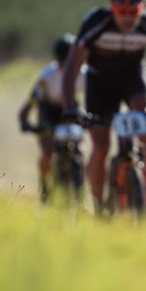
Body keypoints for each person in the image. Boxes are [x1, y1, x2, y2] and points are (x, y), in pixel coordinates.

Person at [61, 0, 146, 216]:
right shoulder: (95, 22)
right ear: (111, 6)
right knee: (101, 145)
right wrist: (70, 107)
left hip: (133, 79)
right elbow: (71, 69)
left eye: (133, 11)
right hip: (99, 83)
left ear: (142, 7)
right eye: (120, 11)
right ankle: (98, 205)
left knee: (145, 122)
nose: (126, 17)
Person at [19, 34, 87, 202]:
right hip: (49, 112)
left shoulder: (84, 74)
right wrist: (25, 120)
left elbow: (95, 97)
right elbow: (31, 102)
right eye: (63, 61)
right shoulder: (48, 75)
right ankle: (44, 189)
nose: (67, 66)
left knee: (80, 151)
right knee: (48, 154)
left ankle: (78, 188)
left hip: (70, 111)